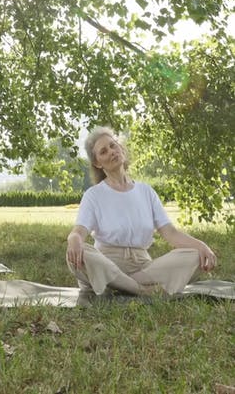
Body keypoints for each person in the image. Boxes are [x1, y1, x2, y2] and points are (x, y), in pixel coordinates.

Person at [66, 126, 217, 296]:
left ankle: (118, 285)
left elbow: (170, 233)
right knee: (81, 254)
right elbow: (78, 232)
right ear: (97, 163)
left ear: (120, 148)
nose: (111, 152)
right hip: (108, 263)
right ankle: (142, 290)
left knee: (195, 255)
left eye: (113, 145)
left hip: (144, 268)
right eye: (103, 151)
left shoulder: (146, 191)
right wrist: (74, 239)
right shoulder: (93, 195)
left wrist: (202, 246)